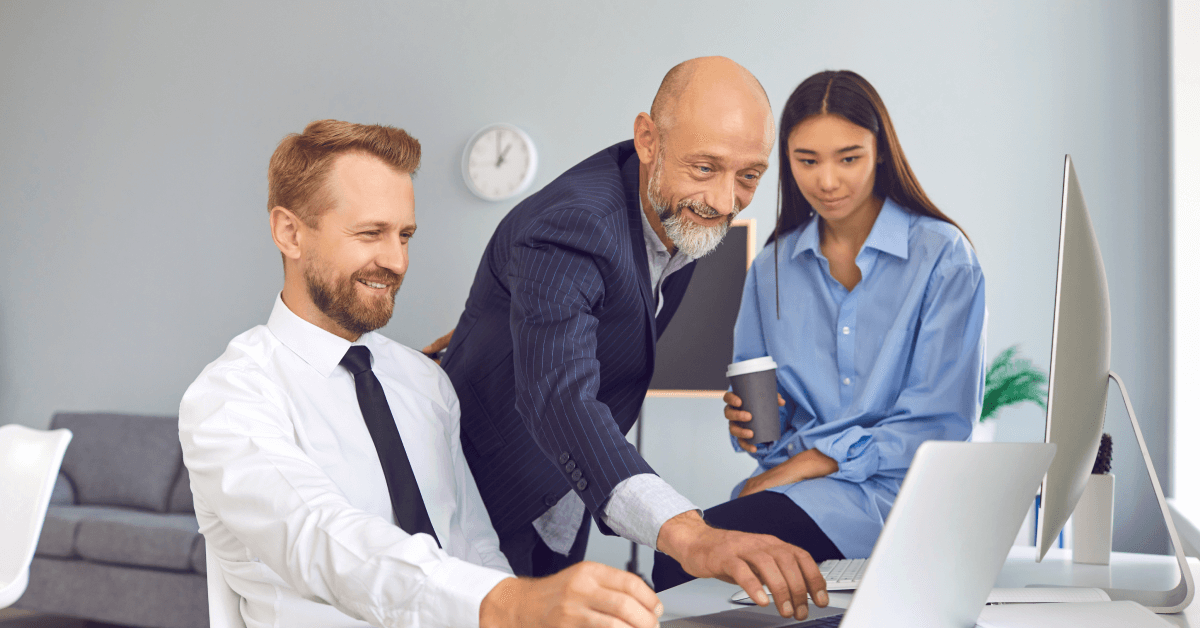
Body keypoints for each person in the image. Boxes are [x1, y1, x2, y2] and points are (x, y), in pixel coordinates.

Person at [179, 120, 666, 628]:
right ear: (289, 232)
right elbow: (322, 538)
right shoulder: (230, 397)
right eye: (370, 233)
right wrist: (507, 604)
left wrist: (514, 606)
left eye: (405, 235)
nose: (395, 261)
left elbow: (472, 541)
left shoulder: (425, 381)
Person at [429, 57, 829, 621]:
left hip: (569, 491)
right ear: (647, 139)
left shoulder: (677, 213)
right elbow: (560, 397)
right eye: (706, 167)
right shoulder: (570, 225)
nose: (724, 201)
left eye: (749, 176)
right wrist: (691, 534)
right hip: (490, 492)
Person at [652, 70, 987, 590]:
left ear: (881, 151)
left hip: (899, 497)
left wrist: (812, 461)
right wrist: (754, 427)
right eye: (806, 160)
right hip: (799, 493)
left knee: (687, 558)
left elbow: (940, 423)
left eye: (848, 158)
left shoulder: (943, 258)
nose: (826, 181)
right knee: (684, 556)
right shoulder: (774, 267)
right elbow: (768, 440)